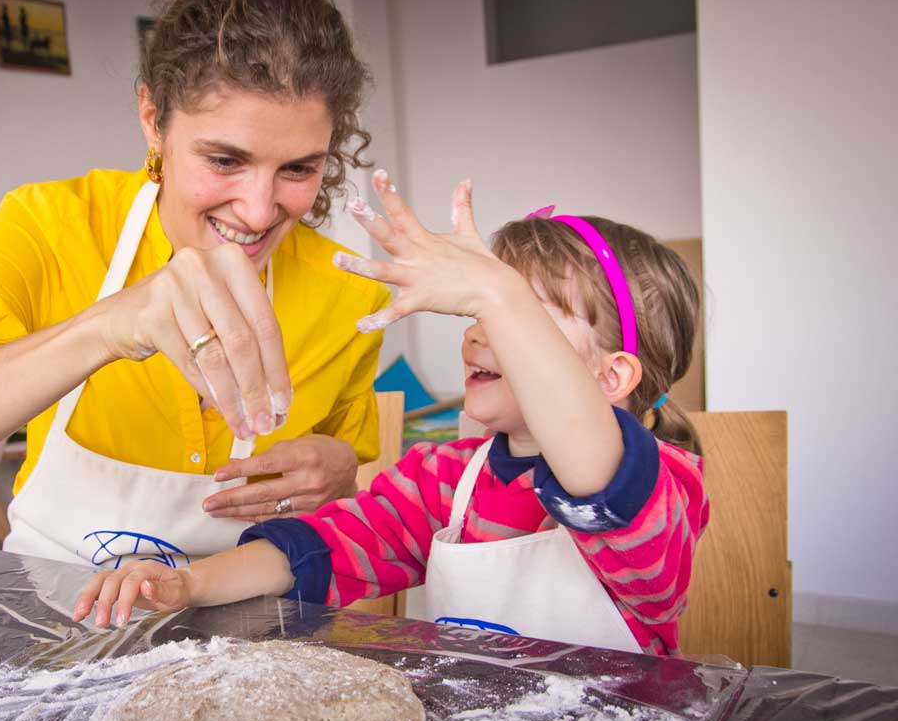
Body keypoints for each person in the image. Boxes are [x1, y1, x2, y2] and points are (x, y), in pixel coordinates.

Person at [0, 0, 391, 569]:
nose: (257, 211)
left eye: (298, 169)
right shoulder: (51, 228)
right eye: (223, 160)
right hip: (51, 618)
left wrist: (343, 472)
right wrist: (103, 328)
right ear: (153, 118)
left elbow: (363, 506)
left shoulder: (349, 291)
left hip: (251, 632)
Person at [72, 170, 709, 657]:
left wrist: (496, 288)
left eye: (523, 316)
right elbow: (322, 547)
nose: (482, 332)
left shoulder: (664, 487)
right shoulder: (444, 478)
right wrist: (188, 584)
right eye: (481, 311)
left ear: (612, 377)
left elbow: (597, 474)